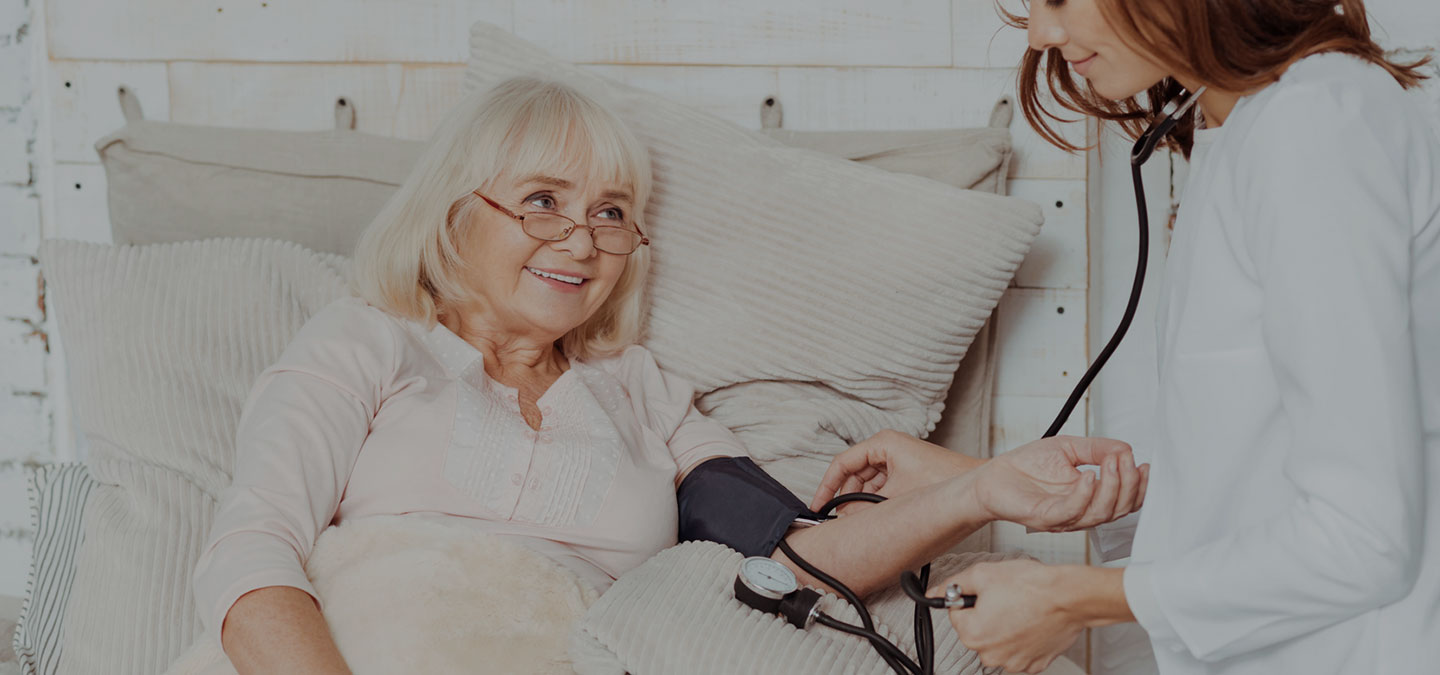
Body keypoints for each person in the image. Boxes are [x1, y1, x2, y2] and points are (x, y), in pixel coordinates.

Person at [192, 76, 1147, 674]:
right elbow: (251, 550)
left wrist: (982, 485)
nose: (584, 238)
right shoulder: (364, 341)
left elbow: (799, 554)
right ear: (453, 215)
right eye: (542, 201)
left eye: (613, 213)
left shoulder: (641, 391)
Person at [815, 0, 1440, 672]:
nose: (1041, 34)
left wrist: (1069, 598)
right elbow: (1244, 479)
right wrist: (977, 484)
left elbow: (1364, 536)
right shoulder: (1246, 124)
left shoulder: (1315, 129)